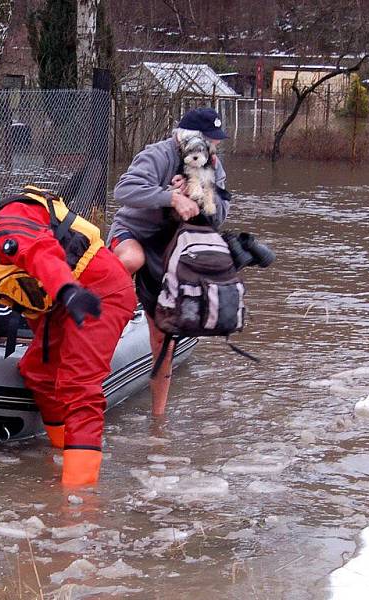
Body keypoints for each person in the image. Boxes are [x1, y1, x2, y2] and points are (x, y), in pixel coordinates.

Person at [0, 178, 136, 486]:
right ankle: (62, 450)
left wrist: (67, 291)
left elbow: (42, 254)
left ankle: (79, 498)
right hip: (61, 305)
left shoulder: (7, 227)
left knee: (79, 385)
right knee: (37, 371)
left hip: (97, 293)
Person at [109, 107, 231, 416]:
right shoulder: (157, 155)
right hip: (133, 232)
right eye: (208, 140)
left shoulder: (213, 166)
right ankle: (105, 312)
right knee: (131, 258)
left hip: (169, 247)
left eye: (215, 142)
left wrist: (201, 194)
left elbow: (220, 216)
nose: (212, 147)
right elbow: (124, 190)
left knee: (163, 337)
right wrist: (170, 196)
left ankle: (158, 419)